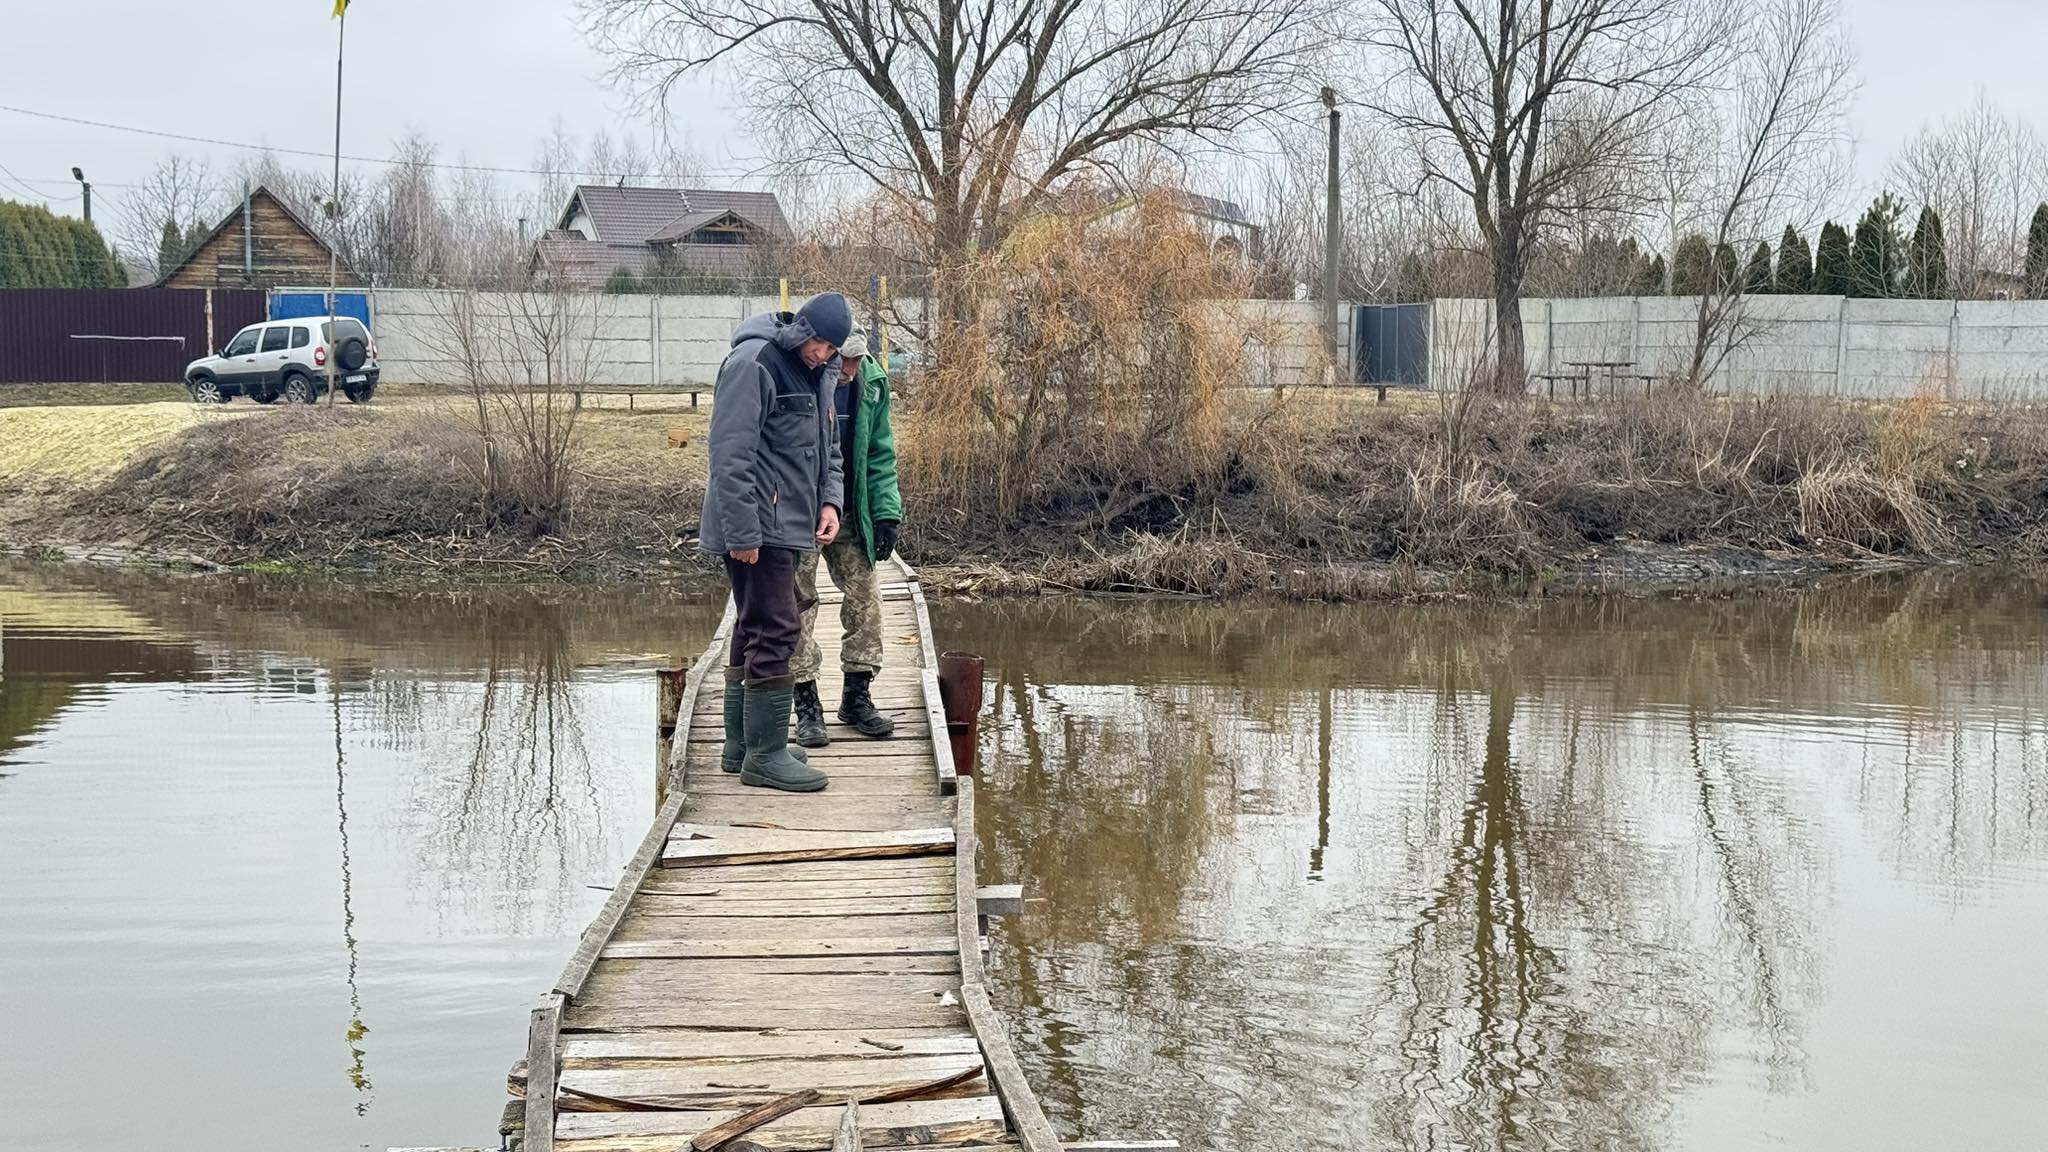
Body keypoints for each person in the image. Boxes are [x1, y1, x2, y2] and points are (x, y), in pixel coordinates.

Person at [699, 292, 854, 793]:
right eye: (818, 342)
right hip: (755, 526)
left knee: (753, 625)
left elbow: (828, 447)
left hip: (789, 523)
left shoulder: (819, 372)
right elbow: (730, 454)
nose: (823, 353)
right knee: (779, 629)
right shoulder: (754, 363)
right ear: (801, 328)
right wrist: (743, 532)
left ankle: (742, 747)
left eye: (832, 347)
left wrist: (830, 503)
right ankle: (765, 756)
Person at [791, 328, 903, 747]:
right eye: (843, 362)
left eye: (857, 362)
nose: (849, 372)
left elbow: (880, 452)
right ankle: (806, 704)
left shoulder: (872, 384)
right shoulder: (800, 376)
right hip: (801, 512)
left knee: (866, 600)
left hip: (852, 511)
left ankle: (857, 696)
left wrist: (888, 512)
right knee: (798, 604)